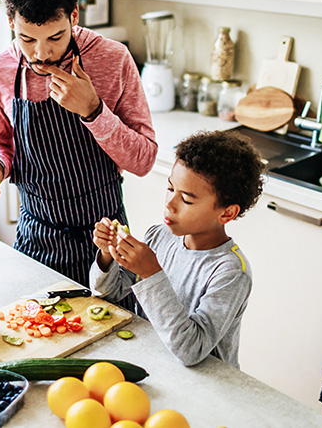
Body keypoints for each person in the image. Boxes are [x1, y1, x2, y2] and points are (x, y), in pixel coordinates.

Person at [0, 0, 157, 304]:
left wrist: (94, 110)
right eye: (26, 38)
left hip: (106, 244)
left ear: (74, 16)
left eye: (55, 37)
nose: (42, 53)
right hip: (36, 240)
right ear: (10, 22)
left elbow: (144, 161)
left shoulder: (113, 59)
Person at [89, 131, 265, 368]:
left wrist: (152, 273)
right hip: (155, 365)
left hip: (209, 385)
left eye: (187, 200)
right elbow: (108, 295)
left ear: (227, 213)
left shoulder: (230, 272)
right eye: (171, 189)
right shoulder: (159, 236)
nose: (169, 205)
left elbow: (191, 350)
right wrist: (107, 256)